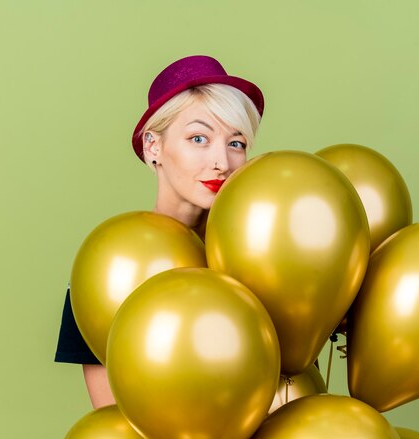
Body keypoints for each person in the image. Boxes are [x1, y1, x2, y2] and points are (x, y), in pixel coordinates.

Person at [54, 55, 265, 409]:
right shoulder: (111, 268)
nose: (221, 162)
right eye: (199, 138)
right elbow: (114, 417)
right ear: (154, 147)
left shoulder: (262, 258)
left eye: (236, 143)